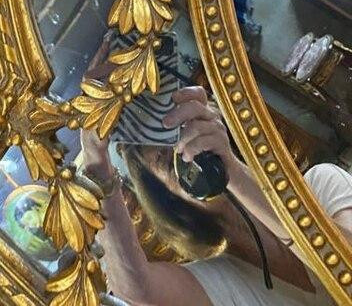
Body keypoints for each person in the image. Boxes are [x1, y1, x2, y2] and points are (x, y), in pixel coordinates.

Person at [80, 85, 352, 306]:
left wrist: (233, 171)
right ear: (166, 196)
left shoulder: (321, 185)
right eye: (165, 160)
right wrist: (96, 162)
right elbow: (136, 289)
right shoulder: (218, 281)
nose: (186, 154)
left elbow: (346, 263)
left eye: (184, 134)